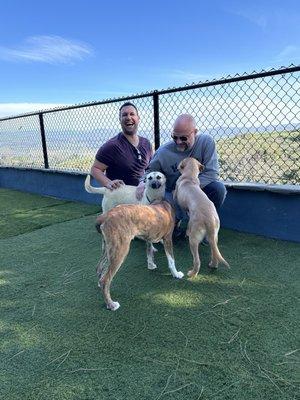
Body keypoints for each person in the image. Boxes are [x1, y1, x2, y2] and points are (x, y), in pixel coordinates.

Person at [140, 113, 226, 238]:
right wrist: (142, 184)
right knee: (166, 235)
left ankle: (206, 228)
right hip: (172, 194)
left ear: (195, 132)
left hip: (195, 189)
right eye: (175, 137)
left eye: (184, 138)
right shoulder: (163, 152)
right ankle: (173, 225)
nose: (178, 142)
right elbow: (148, 173)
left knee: (218, 189)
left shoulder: (206, 142)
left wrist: (187, 188)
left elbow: (211, 173)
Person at [90, 102, 153, 190]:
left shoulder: (146, 143)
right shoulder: (112, 146)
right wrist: (108, 183)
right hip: (119, 197)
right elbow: (95, 169)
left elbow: (150, 169)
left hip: (141, 196)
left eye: (132, 114)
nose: (128, 117)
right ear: (120, 120)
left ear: (138, 118)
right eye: (124, 115)